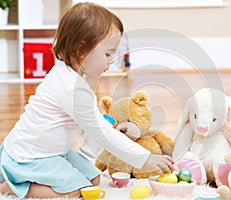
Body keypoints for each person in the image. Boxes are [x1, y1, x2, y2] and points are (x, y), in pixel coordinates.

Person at [0, 2, 174, 198]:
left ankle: (26, 179)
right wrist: (144, 158)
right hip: (29, 157)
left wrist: (96, 71)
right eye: (108, 53)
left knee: (93, 180)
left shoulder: (68, 73)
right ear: (81, 50)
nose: (111, 60)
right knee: (78, 190)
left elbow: (87, 113)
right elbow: (100, 132)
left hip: (54, 152)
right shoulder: (70, 87)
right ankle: (13, 185)